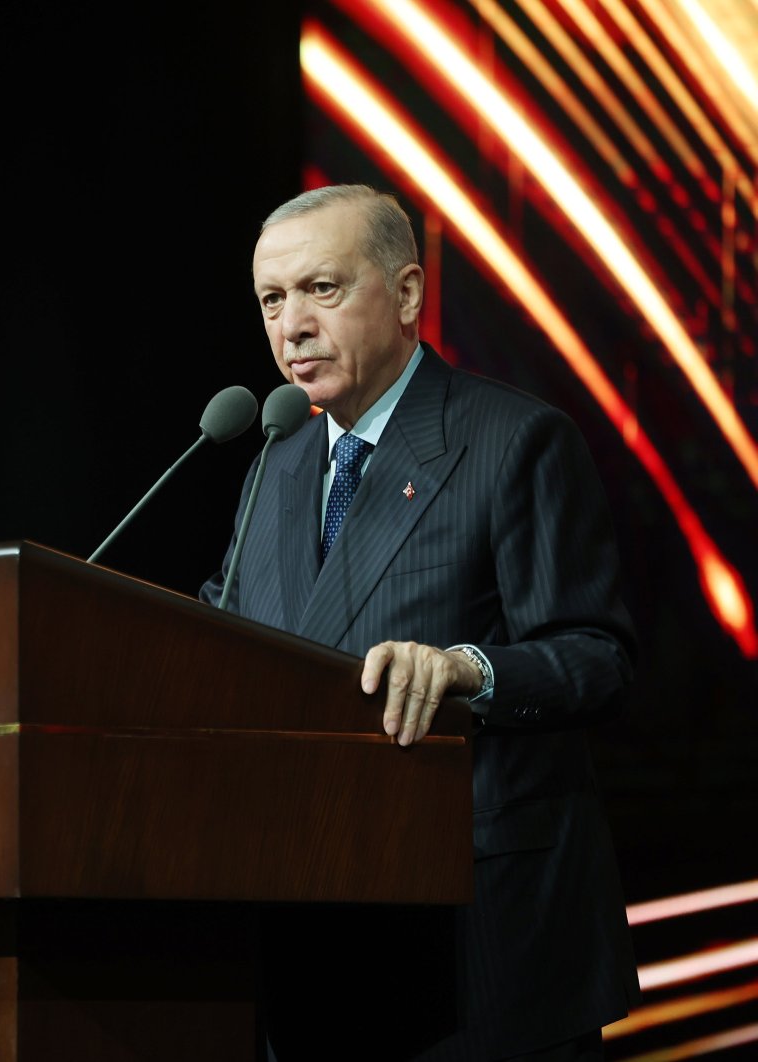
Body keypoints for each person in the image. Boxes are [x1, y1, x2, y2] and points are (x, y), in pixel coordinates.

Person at [201, 184, 639, 1060]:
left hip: (477, 948)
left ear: (406, 295)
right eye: (271, 300)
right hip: (311, 938)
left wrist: (468, 672)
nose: (291, 325)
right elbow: (225, 640)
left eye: (321, 289)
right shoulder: (277, 466)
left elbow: (599, 657)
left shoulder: (514, 442)